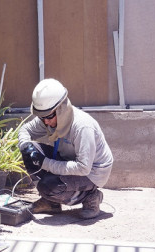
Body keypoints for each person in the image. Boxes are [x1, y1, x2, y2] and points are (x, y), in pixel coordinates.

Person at [18, 78, 113, 219]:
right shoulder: (48, 118)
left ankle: (91, 197)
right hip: (69, 160)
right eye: (42, 117)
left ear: (61, 109)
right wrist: (25, 145)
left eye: (49, 116)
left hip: (92, 173)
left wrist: (44, 163)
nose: (45, 122)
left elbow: (83, 167)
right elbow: (25, 129)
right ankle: (51, 203)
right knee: (29, 152)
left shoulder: (82, 127)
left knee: (48, 185)